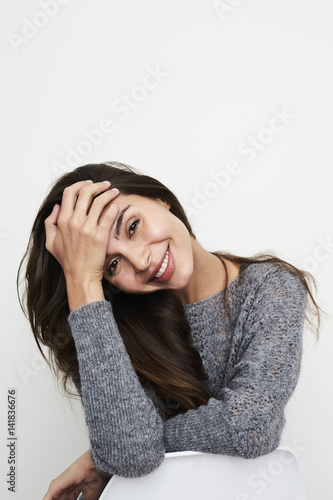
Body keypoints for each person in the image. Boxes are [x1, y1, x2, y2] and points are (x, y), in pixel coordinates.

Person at [18, 161, 322, 500]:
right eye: (112, 265)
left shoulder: (270, 288)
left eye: (132, 226)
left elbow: (251, 427)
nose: (141, 260)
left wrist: (103, 457)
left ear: (160, 199)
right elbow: (133, 455)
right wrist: (82, 282)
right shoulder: (106, 325)